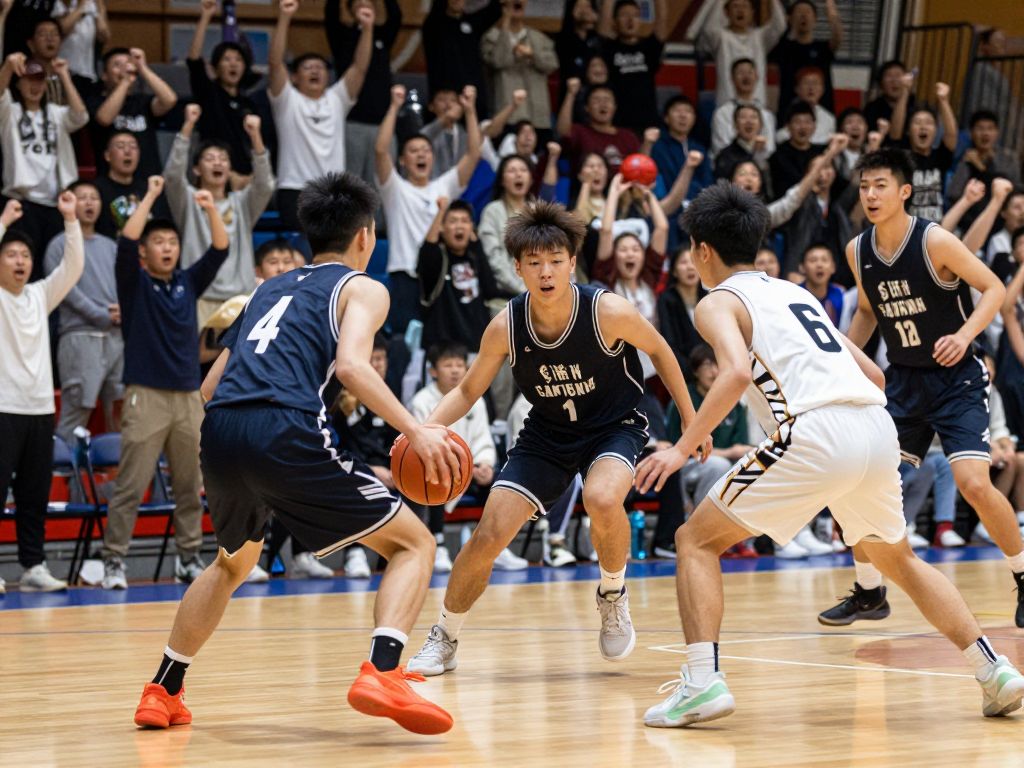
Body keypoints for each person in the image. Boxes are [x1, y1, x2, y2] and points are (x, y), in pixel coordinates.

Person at [636, 181, 1024, 727]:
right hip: (872, 425)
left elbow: (737, 373)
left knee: (694, 541)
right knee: (900, 559)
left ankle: (701, 684)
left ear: (701, 250)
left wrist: (680, 446)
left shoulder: (716, 302)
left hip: (814, 431)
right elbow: (872, 372)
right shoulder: (795, 294)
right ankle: (994, 670)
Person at [130, 172, 458, 735]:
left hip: (222, 429)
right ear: (367, 236)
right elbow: (354, 366)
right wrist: (416, 429)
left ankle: (163, 689)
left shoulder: (267, 287)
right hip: (284, 427)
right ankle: (384, 671)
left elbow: (209, 388)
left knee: (231, 562)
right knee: (414, 542)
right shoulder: (362, 287)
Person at [405, 199, 710, 676]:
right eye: (534, 263)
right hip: (547, 434)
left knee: (603, 496)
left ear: (572, 262)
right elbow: (467, 389)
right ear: (518, 268)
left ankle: (612, 592)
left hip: (614, 425)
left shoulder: (608, 310)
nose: (545, 272)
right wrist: (423, 430)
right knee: (488, 535)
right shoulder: (505, 324)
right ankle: (444, 636)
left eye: (554, 261)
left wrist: (692, 425)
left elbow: (663, 351)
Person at [817, 149, 1024, 629]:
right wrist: (842, 358)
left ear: (904, 191)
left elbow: (992, 287)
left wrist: (965, 335)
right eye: (865, 186)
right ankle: (870, 591)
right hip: (904, 382)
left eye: (880, 185)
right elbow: (868, 310)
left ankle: (1021, 573)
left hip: (956, 380)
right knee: (858, 480)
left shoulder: (934, 241)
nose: (870, 194)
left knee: (974, 483)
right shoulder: (857, 249)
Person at [100, 177, 229, 590]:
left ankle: (188, 557)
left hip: (189, 396)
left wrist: (210, 208)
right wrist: (153, 196)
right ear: (144, 252)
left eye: (173, 242)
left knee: (191, 485)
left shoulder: (186, 283)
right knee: (131, 485)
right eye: (159, 242)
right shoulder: (134, 283)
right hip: (146, 395)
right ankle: (114, 560)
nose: (168, 247)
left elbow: (220, 250)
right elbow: (125, 241)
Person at [0, 191, 81, 594]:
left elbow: (73, 267)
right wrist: (3, 221)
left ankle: (33, 565)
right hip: (3, 409)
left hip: (39, 409)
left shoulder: (38, 296)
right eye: (11, 254)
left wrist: (69, 220)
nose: (20, 261)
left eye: (25, 256)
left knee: (34, 496)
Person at [409, 341, 524, 573]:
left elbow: (483, 440)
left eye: (459, 365)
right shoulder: (421, 401)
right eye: (448, 365)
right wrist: (461, 467)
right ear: (433, 371)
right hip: (439, 468)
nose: (454, 370)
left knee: (499, 482)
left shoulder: (477, 401)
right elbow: (424, 446)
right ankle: (438, 543)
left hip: (469, 470)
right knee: (436, 479)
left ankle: (494, 546)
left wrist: (484, 464)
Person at [375, 83, 480, 335]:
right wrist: (393, 107)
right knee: (406, 339)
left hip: (439, 273)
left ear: (432, 158)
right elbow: (380, 150)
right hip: (404, 275)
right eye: (413, 151)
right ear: (402, 160)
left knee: (439, 341)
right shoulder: (395, 188)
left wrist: (470, 110)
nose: (421, 155)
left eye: (426, 151)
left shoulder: (443, 186)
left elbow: (474, 153)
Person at [165, 104, 274, 328]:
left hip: (240, 297)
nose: (218, 163)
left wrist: (255, 136)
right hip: (199, 297)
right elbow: (173, 176)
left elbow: (264, 185)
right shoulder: (188, 200)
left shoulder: (243, 203)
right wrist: (187, 126)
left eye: (223, 159)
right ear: (196, 169)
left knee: (238, 362)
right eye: (210, 158)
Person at [269, 0, 373, 230]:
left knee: (332, 259)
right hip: (294, 189)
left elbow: (359, 68)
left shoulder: (337, 99)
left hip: (333, 192)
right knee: (301, 257)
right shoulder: (287, 100)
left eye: (320, 67)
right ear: (294, 77)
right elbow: (275, 64)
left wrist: (367, 29)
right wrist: (284, 18)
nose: (315, 71)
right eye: (307, 67)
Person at [43, 180, 121, 441]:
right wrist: (101, 314)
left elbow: (124, 284)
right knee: (76, 411)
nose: (89, 203)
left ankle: (113, 480)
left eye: (94, 197)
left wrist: (121, 311)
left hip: (115, 338)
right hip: (79, 337)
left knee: (120, 411)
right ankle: (64, 478)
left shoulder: (111, 246)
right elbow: (65, 291)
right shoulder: (57, 245)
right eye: (82, 197)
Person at [0, 53, 87, 275]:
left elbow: (80, 117)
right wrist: (9, 67)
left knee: (54, 269)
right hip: (22, 203)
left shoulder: (57, 114)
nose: (34, 85)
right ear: (18, 84)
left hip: (54, 204)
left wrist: (64, 76)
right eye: (29, 79)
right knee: (23, 267)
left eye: (39, 80)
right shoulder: (10, 112)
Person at [325, 0, 402, 194]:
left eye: (368, 2)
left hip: (383, 124)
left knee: (383, 185)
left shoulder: (383, 36)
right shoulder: (342, 35)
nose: (363, 6)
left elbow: (396, 16)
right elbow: (330, 12)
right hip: (352, 122)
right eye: (358, 3)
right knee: (352, 185)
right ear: (350, 10)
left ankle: (381, 226)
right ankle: (351, 226)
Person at [188, 0, 262, 179]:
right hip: (215, 174)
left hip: (247, 177)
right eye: (227, 59)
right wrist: (206, 16)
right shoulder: (209, 93)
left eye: (238, 60)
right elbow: (194, 61)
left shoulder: (249, 103)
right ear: (215, 67)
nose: (233, 64)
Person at [420, 197, 499, 353]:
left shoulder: (475, 257)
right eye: (453, 221)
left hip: (476, 349)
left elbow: (490, 289)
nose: (459, 226)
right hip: (443, 353)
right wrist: (441, 211)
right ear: (442, 228)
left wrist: (476, 242)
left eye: (465, 221)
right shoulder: (439, 259)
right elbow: (428, 249)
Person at [88, 47, 177, 177]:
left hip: (148, 179)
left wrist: (142, 68)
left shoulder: (141, 102)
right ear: (105, 75)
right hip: (111, 182)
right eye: (117, 65)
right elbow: (104, 118)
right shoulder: (96, 101)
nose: (125, 69)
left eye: (128, 64)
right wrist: (125, 81)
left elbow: (169, 100)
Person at [480, 0, 558, 135]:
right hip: (508, 115)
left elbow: (552, 65)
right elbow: (498, 62)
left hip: (538, 116)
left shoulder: (539, 38)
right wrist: (505, 24)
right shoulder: (491, 37)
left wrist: (533, 55)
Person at [596, 0, 668, 138]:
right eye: (624, 15)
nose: (630, 20)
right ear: (614, 21)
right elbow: (603, 27)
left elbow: (662, 20)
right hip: (618, 123)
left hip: (648, 121)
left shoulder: (649, 48)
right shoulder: (609, 48)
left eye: (635, 15)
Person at [695, 0, 785, 109]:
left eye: (745, 6)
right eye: (735, 6)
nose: (740, 11)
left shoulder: (760, 37)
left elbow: (779, 26)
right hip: (727, 103)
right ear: (726, 12)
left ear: (752, 12)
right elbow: (708, 29)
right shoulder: (720, 37)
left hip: (756, 103)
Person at [423, 0, 501, 115]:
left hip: (473, 97)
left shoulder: (472, 23)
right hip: (446, 101)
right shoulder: (433, 24)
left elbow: (495, 10)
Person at [769, 0, 841, 116]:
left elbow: (837, 38)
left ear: (815, 19)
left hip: (821, 109)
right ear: (790, 19)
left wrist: (832, 14)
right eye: (799, 12)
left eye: (808, 12)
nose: (804, 16)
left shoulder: (822, 48)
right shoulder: (783, 47)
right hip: (789, 111)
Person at [93, 131, 171, 238]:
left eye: (133, 146)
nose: (127, 151)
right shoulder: (96, 190)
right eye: (120, 146)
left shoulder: (151, 189)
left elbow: (164, 226)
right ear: (107, 155)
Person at [709, 58, 776, 158]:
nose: (746, 77)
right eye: (740, 73)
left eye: (750, 72)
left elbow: (770, 148)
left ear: (757, 77)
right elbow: (721, 146)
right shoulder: (722, 113)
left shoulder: (767, 115)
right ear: (732, 78)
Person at [52, 0, 109, 84]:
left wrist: (100, 10)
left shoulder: (94, 4)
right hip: (63, 68)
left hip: (87, 72)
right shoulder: (61, 3)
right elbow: (61, 30)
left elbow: (104, 36)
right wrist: (81, 8)